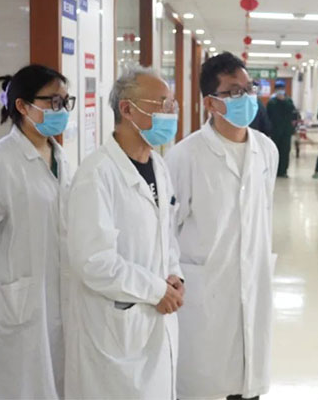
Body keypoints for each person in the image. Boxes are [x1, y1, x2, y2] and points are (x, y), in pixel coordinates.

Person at [65, 66, 184, 399]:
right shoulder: (97, 173)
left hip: (156, 317)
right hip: (115, 328)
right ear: (127, 109)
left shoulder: (158, 166)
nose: (170, 114)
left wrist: (175, 275)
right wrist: (156, 289)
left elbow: (166, 236)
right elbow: (93, 262)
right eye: (161, 104)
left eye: (172, 105)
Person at [166, 52, 278, 400]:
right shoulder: (185, 156)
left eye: (249, 88)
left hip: (253, 281)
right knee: (204, 383)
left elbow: (262, 213)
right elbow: (165, 229)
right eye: (233, 91)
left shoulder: (266, 150)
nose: (246, 97)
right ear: (210, 103)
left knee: (248, 382)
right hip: (205, 290)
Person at [0, 64, 74, 399]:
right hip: (13, 310)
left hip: (58, 305)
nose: (61, 111)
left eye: (66, 102)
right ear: (22, 106)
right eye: (53, 102)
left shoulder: (62, 160)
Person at [267, 81, 298, 177]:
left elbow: (293, 113)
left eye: (281, 89)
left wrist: (283, 100)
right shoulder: (271, 102)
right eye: (278, 89)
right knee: (275, 151)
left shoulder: (289, 101)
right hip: (275, 131)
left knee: (285, 151)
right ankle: (275, 170)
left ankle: (283, 171)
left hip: (286, 131)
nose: (280, 91)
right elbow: (268, 116)